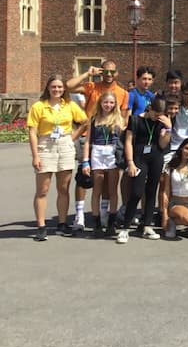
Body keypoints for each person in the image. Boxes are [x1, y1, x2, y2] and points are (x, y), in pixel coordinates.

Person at [66, 60, 129, 232]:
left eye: (112, 72)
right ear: (101, 72)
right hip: (89, 136)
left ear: (116, 73)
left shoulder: (122, 93)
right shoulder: (92, 86)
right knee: (84, 178)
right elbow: (68, 87)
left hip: (111, 143)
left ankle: (104, 214)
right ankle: (80, 214)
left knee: (108, 183)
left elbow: (124, 119)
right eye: (105, 71)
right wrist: (87, 73)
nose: (108, 75)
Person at [28, 75, 88, 240]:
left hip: (65, 145)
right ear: (48, 88)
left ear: (64, 89)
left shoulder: (69, 105)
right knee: (43, 190)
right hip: (45, 145)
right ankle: (41, 226)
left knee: (63, 189)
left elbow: (85, 121)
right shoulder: (39, 106)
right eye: (54, 87)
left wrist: (72, 137)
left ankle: (62, 223)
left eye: (60, 87)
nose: (57, 90)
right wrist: (35, 155)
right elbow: (32, 132)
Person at [118, 95, 173, 244]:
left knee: (151, 191)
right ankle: (125, 227)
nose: (157, 117)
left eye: (160, 115)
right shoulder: (136, 120)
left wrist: (168, 129)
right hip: (139, 157)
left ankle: (147, 225)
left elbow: (162, 144)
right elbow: (128, 142)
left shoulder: (162, 122)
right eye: (155, 114)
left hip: (156, 157)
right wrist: (130, 162)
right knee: (136, 192)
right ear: (149, 108)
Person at [82, 90, 125, 235]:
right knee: (97, 190)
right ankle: (97, 223)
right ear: (100, 103)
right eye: (106, 102)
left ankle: (111, 223)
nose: (108, 105)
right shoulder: (94, 119)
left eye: (111, 102)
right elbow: (87, 141)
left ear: (115, 104)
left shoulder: (119, 119)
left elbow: (124, 139)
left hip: (112, 152)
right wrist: (85, 161)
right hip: (98, 152)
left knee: (113, 190)